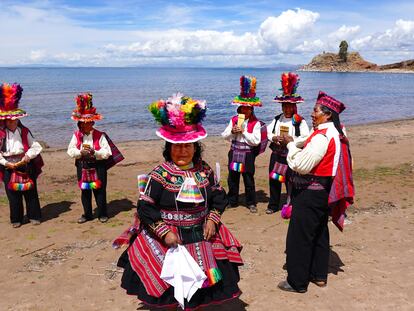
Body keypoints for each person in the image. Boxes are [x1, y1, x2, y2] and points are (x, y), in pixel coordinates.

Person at [116, 93, 243, 310]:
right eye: (177, 146)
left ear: (196, 147)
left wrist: (212, 219)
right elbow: (145, 207)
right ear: (169, 148)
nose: (182, 151)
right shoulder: (159, 174)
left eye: (188, 146)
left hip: (201, 234)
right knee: (170, 291)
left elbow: (218, 198)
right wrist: (165, 232)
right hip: (168, 236)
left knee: (203, 289)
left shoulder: (204, 171)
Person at [278, 91, 354, 293]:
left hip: (310, 194)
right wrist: (294, 141)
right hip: (323, 192)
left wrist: (290, 146)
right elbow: (307, 142)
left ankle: (297, 282)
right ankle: (319, 275)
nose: (312, 113)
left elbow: (301, 164)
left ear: (327, 114)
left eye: (315, 110)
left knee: (299, 238)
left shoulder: (322, 136)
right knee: (319, 233)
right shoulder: (337, 132)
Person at [67, 93, 124, 224]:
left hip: (98, 166)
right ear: (80, 124)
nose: (87, 125)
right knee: (85, 191)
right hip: (82, 166)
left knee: (100, 191)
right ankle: (87, 214)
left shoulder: (100, 135)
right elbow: (70, 150)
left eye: (89, 122)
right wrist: (80, 152)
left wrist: (95, 152)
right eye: (84, 123)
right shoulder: (76, 136)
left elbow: (107, 152)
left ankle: (102, 214)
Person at [0, 83, 43, 228]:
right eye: (10, 120)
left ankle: (34, 216)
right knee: (12, 194)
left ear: (18, 119)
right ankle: (16, 219)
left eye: (15, 119)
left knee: (30, 191)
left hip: (25, 163)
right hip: (8, 166)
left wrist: (28, 156)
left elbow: (36, 146)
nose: (12, 122)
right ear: (5, 120)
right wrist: (6, 163)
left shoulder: (24, 131)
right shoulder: (1, 134)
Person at [266, 72, 309, 214]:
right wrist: (274, 138)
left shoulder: (300, 121)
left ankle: (291, 204)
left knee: (290, 181)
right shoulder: (277, 119)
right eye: (285, 106)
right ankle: (273, 205)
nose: (287, 109)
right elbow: (268, 131)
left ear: (294, 106)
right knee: (274, 179)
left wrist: (293, 141)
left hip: (291, 155)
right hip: (277, 154)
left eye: (290, 106)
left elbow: (306, 137)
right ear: (282, 106)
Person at [222, 75, 264, 213]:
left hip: (248, 154)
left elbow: (256, 141)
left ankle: (251, 202)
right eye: (243, 108)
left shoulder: (256, 123)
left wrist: (244, 132)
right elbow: (224, 136)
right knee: (233, 178)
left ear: (252, 110)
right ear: (239, 109)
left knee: (248, 179)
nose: (245, 110)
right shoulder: (234, 120)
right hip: (234, 152)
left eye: (248, 108)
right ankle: (232, 201)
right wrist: (233, 132)